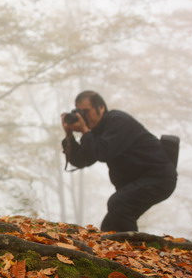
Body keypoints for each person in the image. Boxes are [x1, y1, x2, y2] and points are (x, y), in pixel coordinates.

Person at [61, 90, 177, 232]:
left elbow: (103, 152)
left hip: (158, 178)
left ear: (101, 107)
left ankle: (132, 252)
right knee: (110, 227)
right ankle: (117, 252)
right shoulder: (96, 131)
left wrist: (85, 131)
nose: (85, 116)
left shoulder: (118, 121)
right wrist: (69, 136)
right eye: (80, 113)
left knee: (119, 204)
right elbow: (81, 160)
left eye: (87, 111)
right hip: (140, 181)